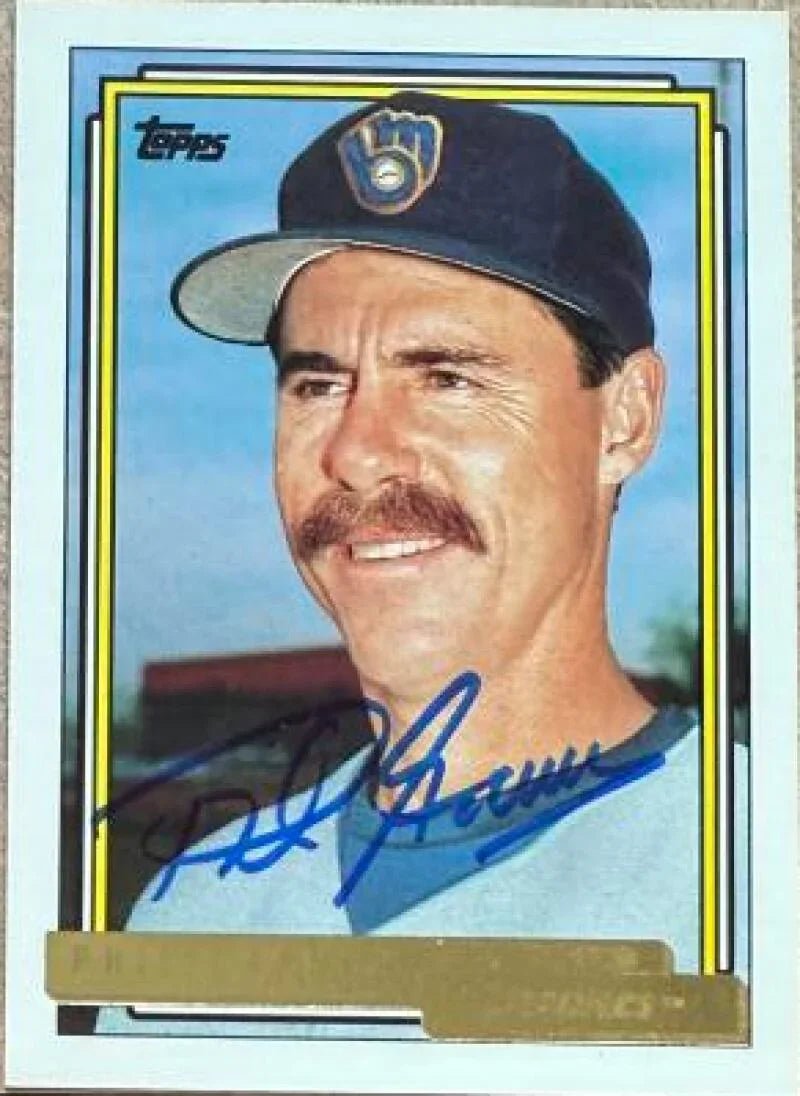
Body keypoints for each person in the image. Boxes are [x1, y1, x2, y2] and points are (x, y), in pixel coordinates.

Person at [98, 92, 747, 1035]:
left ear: (625, 419)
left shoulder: (758, 875)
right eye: (318, 383)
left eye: (447, 377)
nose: (356, 452)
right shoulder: (191, 914)